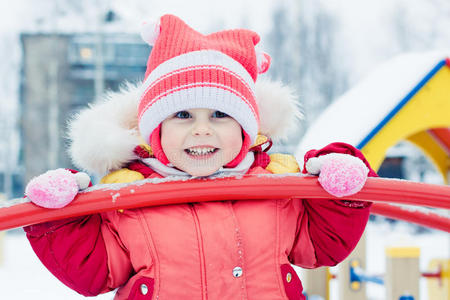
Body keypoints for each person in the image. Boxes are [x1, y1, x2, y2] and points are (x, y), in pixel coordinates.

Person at [24, 14, 377, 300]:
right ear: (154, 132)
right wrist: (59, 218)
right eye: (182, 116)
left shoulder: (276, 185)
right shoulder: (128, 195)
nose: (202, 130)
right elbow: (93, 273)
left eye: (220, 115)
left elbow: (323, 245)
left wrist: (339, 188)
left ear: (245, 130)